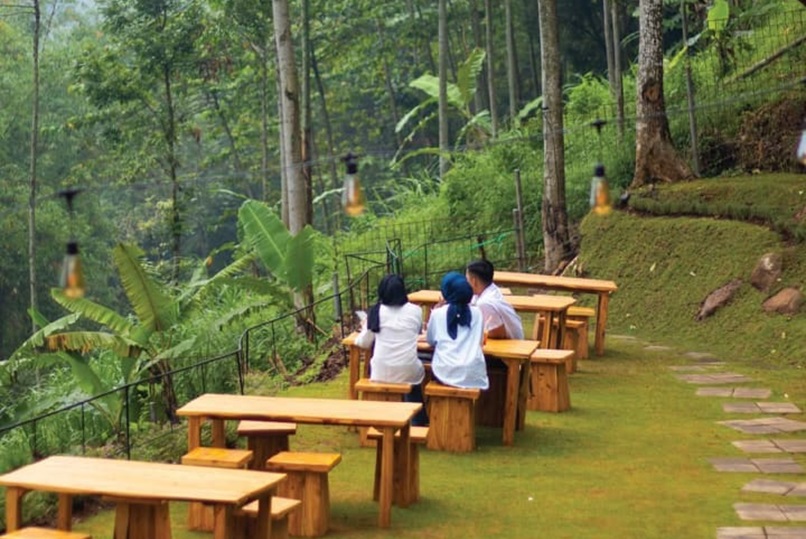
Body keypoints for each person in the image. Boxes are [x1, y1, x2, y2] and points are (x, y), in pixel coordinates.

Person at [355, 274, 428, 425]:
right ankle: (418, 420)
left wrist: (365, 327)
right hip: (409, 369)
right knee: (413, 374)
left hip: (381, 370)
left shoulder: (376, 312)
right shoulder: (415, 311)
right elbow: (416, 331)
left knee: (389, 369)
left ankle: (377, 420)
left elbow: (364, 343)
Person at [426, 272, 489, 390]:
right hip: (474, 373)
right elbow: (480, 342)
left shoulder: (438, 313)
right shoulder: (477, 313)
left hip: (445, 372)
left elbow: (430, 341)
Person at [465, 259, 524, 340]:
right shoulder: (489, 289)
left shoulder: (485, 304)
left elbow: (497, 334)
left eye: (467, 280)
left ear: (474, 281)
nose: (466, 283)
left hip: (510, 344)